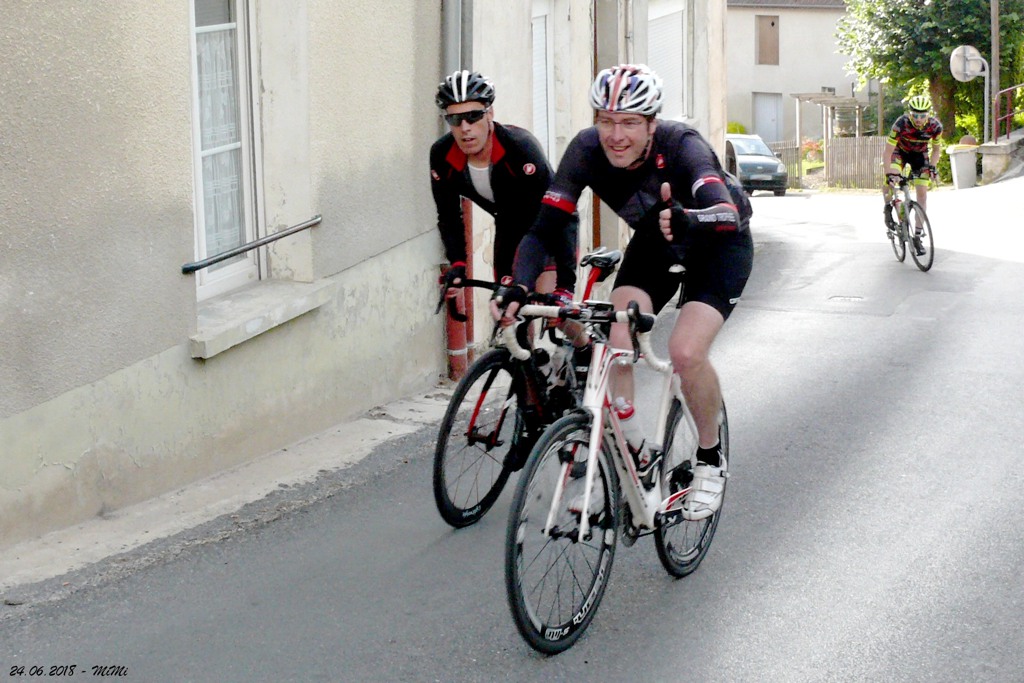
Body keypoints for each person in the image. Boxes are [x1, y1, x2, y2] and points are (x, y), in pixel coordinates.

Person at [493, 64, 753, 521]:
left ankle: (710, 458)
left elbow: (726, 212)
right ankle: (631, 456)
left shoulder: (681, 144)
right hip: (655, 243)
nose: (616, 135)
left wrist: (691, 219)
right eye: (606, 121)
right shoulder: (585, 149)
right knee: (615, 340)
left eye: (630, 122)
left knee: (685, 352)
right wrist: (518, 285)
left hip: (717, 244)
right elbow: (544, 228)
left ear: (652, 124)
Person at [430, 69, 572, 301]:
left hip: (549, 226)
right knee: (506, 309)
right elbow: (448, 215)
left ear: (490, 114)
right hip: (509, 228)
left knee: (549, 307)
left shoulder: (521, 148)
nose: (465, 127)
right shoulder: (442, 155)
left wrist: (566, 286)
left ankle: (569, 324)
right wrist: (458, 263)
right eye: (455, 119)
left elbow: (559, 211)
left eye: (473, 116)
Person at [882, 95, 943, 256]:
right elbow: (888, 152)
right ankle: (888, 207)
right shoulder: (901, 124)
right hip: (899, 152)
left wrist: (932, 167)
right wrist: (889, 174)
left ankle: (917, 236)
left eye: (922, 115)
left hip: (920, 156)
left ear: (928, 114)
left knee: (922, 195)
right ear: (910, 114)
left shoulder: (935, 127)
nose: (918, 119)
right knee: (891, 179)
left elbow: (936, 150)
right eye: (915, 115)